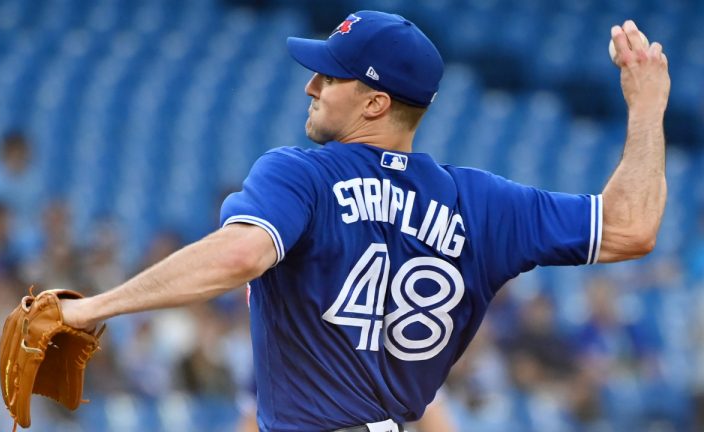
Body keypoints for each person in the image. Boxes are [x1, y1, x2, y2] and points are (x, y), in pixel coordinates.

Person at [61, 10, 669, 432]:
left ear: (376, 102)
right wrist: (645, 108)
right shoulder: (482, 204)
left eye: (330, 76)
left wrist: (88, 309)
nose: (312, 87)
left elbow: (240, 256)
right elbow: (630, 227)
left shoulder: (302, 175)